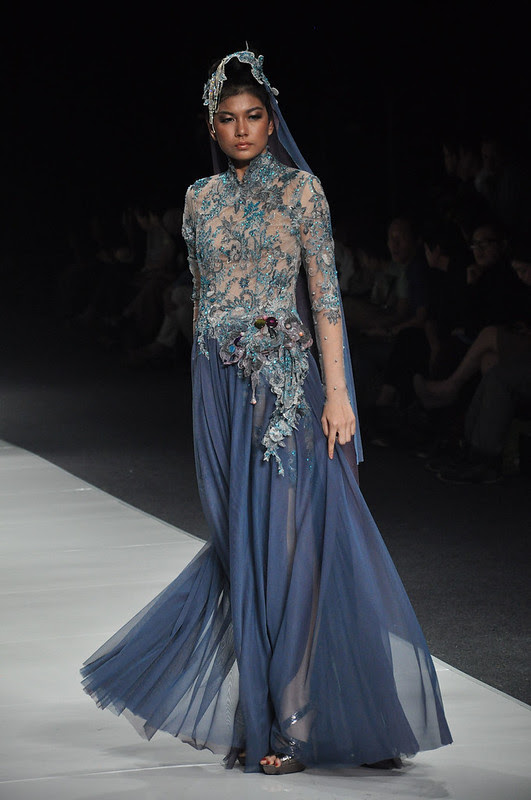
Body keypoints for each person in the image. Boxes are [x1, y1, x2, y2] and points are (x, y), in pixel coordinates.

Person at [81, 48, 452, 776]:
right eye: (228, 119)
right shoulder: (198, 199)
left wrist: (338, 393)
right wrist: (205, 379)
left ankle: (292, 713)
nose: (242, 129)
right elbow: (201, 298)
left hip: (284, 388)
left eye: (254, 116)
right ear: (212, 126)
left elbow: (326, 297)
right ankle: (273, 707)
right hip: (215, 390)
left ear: (272, 120)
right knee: (241, 547)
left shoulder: (301, 193)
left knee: (293, 546)